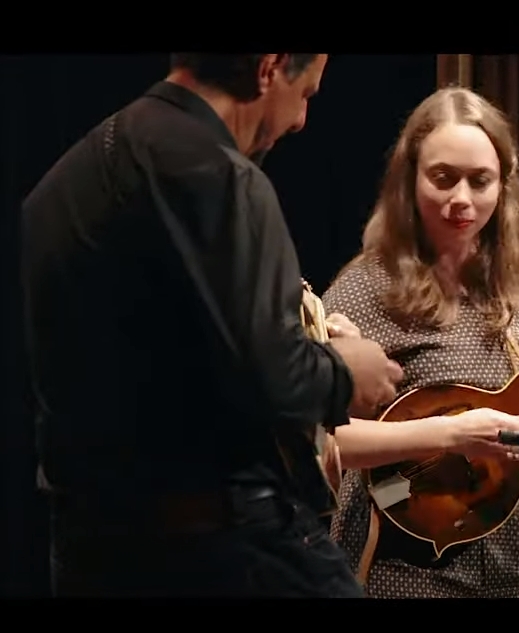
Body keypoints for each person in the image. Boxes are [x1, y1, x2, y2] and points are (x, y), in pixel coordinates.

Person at [19, 53, 405, 597]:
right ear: (269, 66)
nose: (300, 122)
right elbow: (272, 379)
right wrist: (346, 372)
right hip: (221, 548)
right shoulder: (221, 177)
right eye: (307, 95)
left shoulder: (59, 185)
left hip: (89, 551)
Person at [319, 86, 519, 598]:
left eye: (479, 181)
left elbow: (497, 455)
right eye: (443, 179)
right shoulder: (368, 287)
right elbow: (324, 440)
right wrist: (451, 432)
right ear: (410, 180)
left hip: (505, 565)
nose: (461, 199)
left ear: (503, 186)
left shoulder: (505, 288)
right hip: (402, 570)